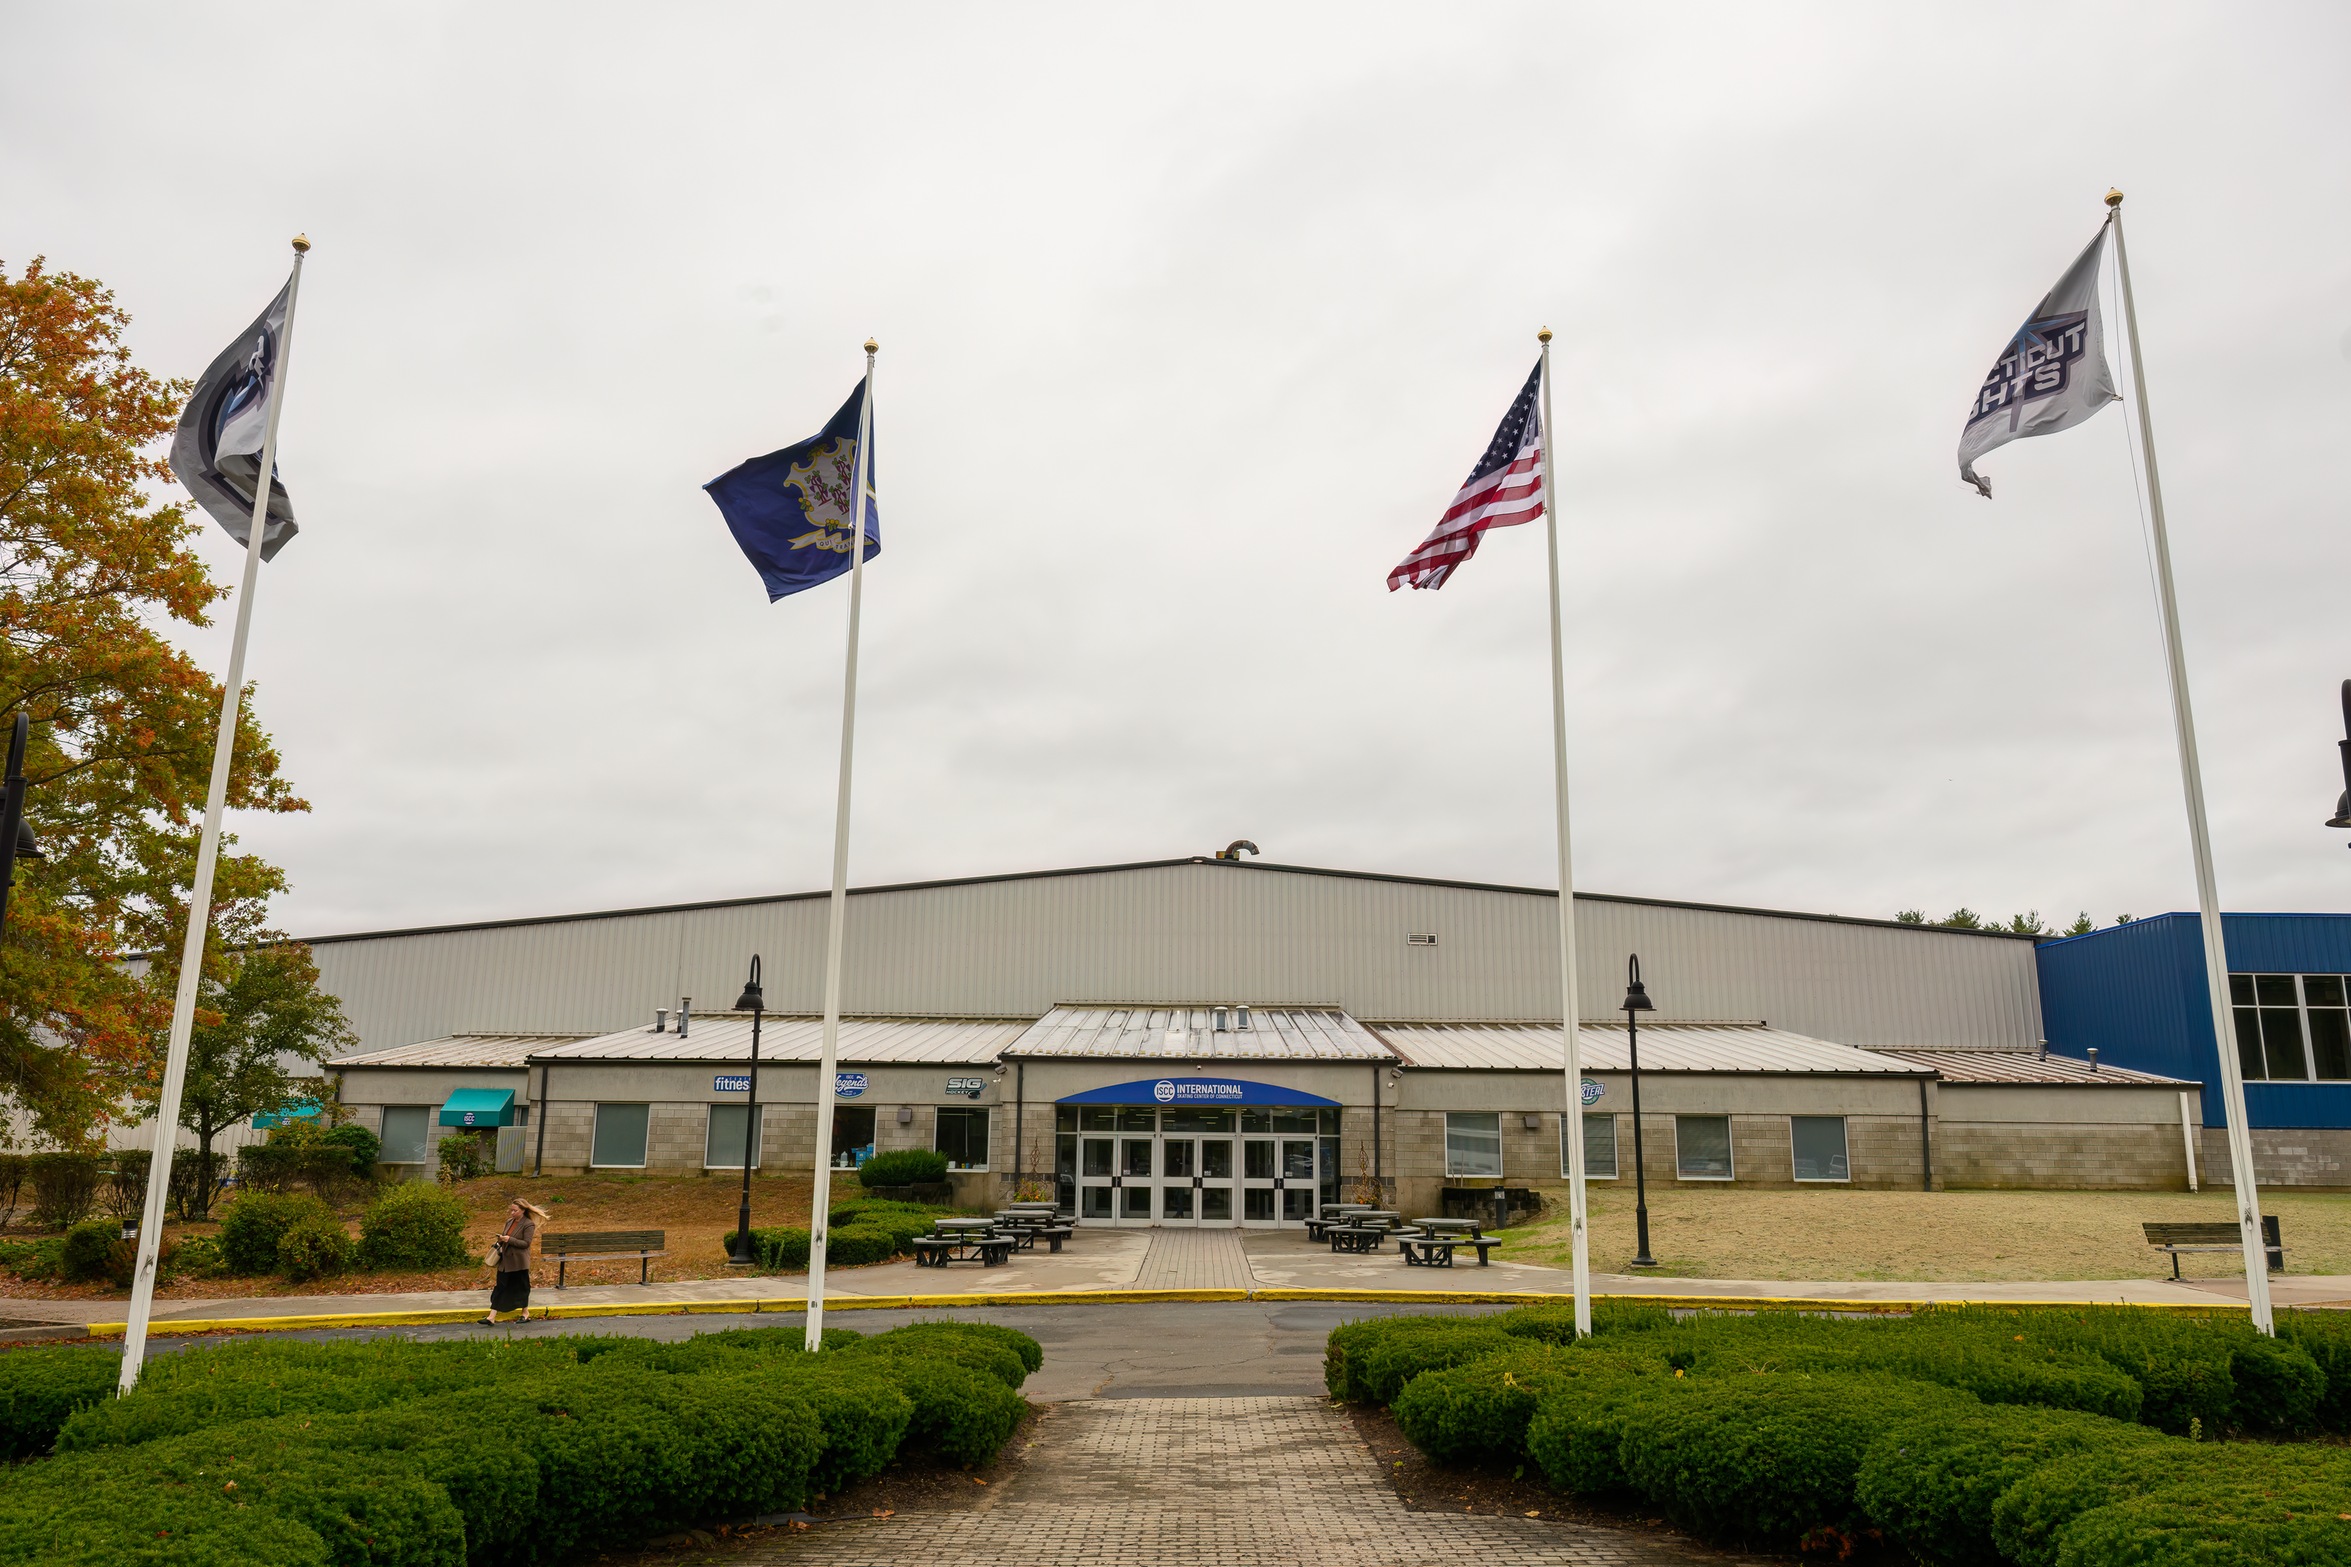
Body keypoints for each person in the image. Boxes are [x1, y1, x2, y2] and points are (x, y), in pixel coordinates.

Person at [483, 1197, 548, 1325]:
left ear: (523, 1210)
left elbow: (526, 1243)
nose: (512, 1213)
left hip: (519, 1263)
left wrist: (509, 1239)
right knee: (500, 1287)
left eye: (515, 1211)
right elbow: (505, 1237)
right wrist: (501, 1239)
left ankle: (525, 1313)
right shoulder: (509, 1222)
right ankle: (491, 1317)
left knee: (521, 1288)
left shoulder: (528, 1224)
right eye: (511, 1210)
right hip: (505, 1261)